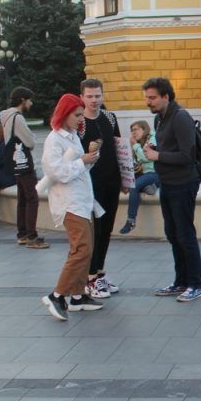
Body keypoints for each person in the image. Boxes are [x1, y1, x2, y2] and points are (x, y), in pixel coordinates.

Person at [40, 93, 105, 321]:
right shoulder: (54, 139)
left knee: (85, 248)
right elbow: (55, 171)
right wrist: (82, 162)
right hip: (69, 203)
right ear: (65, 114)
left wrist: (88, 161)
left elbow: (75, 168)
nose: (81, 119)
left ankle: (77, 296)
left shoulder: (72, 136)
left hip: (81, 200)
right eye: (77, 115)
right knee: (81, 250)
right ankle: (57, 295)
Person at [143, 77, 201, 302]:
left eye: (152, 98)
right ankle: (180, 281)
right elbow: (172, 147)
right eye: (147, 98)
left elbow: (188, 155)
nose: (148, 102)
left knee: (185, 234)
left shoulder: (180, 117)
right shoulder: (160, 119)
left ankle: (195, 284)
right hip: (167, 183)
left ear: (166, 96)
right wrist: (156, 148)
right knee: (173, 234)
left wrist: (158, 155)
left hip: (183, 183)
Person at [79, 79, 122, 299]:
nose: (94, 100)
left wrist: (126, 179)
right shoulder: (79, 123)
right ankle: (90, 278)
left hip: (111, 182)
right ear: (82, 98)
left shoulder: (110, 118)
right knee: (94, 231)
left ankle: (100, 273)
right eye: (90, 96)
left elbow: (119, 148)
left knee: (106, 230)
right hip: (89, 186)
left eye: (97, 95)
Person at [0, 86, 48, 249]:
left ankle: (22, 234)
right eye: (29, 100)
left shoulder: (5, 116)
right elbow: (30, 142)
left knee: (22, 198)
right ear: (22, 100)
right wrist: (31, 138)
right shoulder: (17, 118)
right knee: (32, 198)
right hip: (24, 162)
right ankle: (32, 237)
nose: (31, 103)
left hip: (15, 162)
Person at [120, 119, 161, 234]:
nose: (133, 133)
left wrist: (135, 146)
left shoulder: (152, 139)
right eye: (131, 130)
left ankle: (131, 221)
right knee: (126, 183)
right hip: (146, 174)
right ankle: (149, 187)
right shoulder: (140, 143)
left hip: (155, 173)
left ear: (144, 129)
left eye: (136, 129)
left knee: (134, 186)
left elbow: (146, 157)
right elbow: (137, 161)